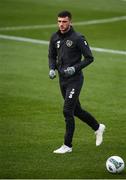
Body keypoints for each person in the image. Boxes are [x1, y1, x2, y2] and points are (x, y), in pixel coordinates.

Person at [48, 10, 106, 154]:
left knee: (67, 110)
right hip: (62, 80)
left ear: (70, 22)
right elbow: (51, 55)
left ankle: (67, 146)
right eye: (59, 21)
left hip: (75, 80)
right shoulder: (54, 37)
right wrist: (52, 69)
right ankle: (98, 127)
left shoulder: (78, 38)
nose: (61, 24)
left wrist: (75, 68)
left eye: (64, 21)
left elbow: (89, 58)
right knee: (76, 110)